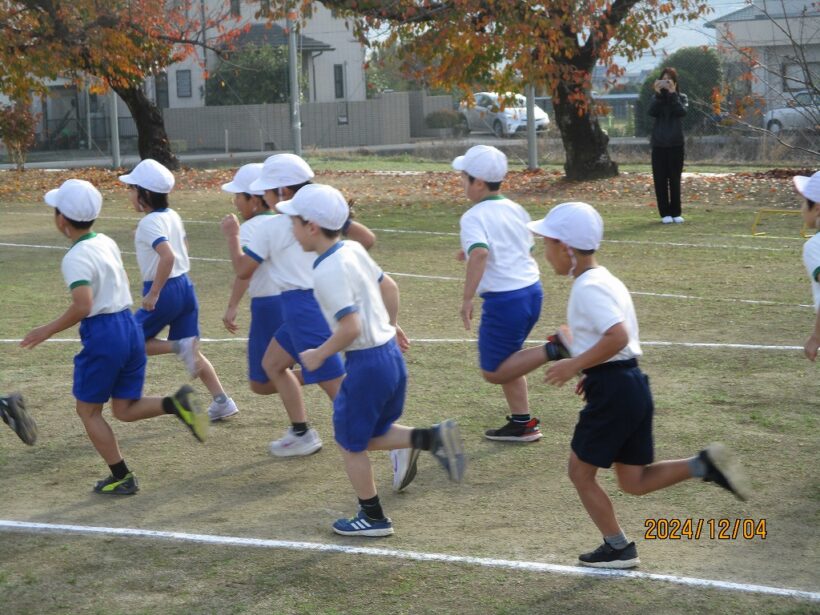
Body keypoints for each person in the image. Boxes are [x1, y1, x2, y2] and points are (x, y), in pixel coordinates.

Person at [526, 201, 749, 568]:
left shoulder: (588, 287)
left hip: (616, 392)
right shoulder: (604, 278)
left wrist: (574, 365)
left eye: (547, 243)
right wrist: (592, 373)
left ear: (566, 248)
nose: (544, 252)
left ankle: (617, 547)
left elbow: (617, 335)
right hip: (628, 385)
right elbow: (615, 345)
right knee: (633, 480)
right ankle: (703, 465)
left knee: (579, 473)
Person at [276, 183, 465, 536]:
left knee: (350, 444)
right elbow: (389, 287)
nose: (291, 228)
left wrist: (318, 354)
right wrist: (390, 328)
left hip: (366, 364)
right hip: (390, 358)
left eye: (295, 222)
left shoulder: (324, 270)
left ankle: (373, 517)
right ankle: (433, 438)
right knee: (370, 434)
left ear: (312, 226)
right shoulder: (351, 248)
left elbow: (350, 327)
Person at [20, 179, 207, 495]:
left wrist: (46, 330)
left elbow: (83, 305)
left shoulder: (75, 257)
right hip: (129, 327)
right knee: (124, 408)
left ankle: (121, 476)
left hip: (105, 334)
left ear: (62, 220)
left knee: (88, 411)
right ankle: (177, 404)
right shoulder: (104, 241)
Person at [221, 154, 346, 457]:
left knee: (339, 391)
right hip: (306, 305)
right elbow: (364, 239)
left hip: (305, 308)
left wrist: (233, 236)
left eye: (266, 190)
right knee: (273, 365)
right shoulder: (314, 220)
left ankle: (402, 442)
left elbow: (242, 270)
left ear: (283, 192)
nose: (262, 195)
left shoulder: (273, 227)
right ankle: (301, 432)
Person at [119, 159, 238, 422]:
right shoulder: (171, 216)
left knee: (130, 341)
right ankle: (222, 401)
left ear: (144, 194)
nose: (128, 193)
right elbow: (181, 246)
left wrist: (154, 294)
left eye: (131, 188)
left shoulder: (150, 223)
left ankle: (177, 347)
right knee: (192, 352)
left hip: (165, 289)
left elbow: (168, 257)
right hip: (185, 287)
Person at [453, 145, 544, 442]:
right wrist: (469, 252)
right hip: (532, 292)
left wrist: (467, 299)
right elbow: (526, 247)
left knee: (493, 370)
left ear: (478, 183)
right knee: (510, 359)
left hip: (506, 300)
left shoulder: (473, 216)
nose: (460, 182)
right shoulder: (515, 208)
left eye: (463, 177)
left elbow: (480, 254)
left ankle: (557, 348)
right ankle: (522, 423)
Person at [219, 164, 286, 399]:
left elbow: (243, 271)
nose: (235, 201)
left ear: (255, 199)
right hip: (292, 300)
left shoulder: (249, 230)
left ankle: (329, 376)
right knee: (281, 369)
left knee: (263, 380)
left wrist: (232, 307)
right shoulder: (285, 221)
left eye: (239, 196)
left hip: (268, 307)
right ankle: (301, 427)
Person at [649, 67, 688, 224]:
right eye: (663, 80)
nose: (666, 83)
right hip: (659, 144)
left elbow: (681, 112)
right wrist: (658, 95)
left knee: (674, 179)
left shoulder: (681, 97)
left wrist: (672, 95)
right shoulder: (656, 98)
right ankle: (664, 213)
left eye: (669, 80)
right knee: (660, 180)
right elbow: (651, 112)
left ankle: (676, 212)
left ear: (674, 82)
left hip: (676, 143)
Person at [794, 171, 820, 361]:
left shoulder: (815, 246)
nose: (801, 209)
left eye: (804, 203)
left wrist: (816, 336)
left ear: (817, 209)